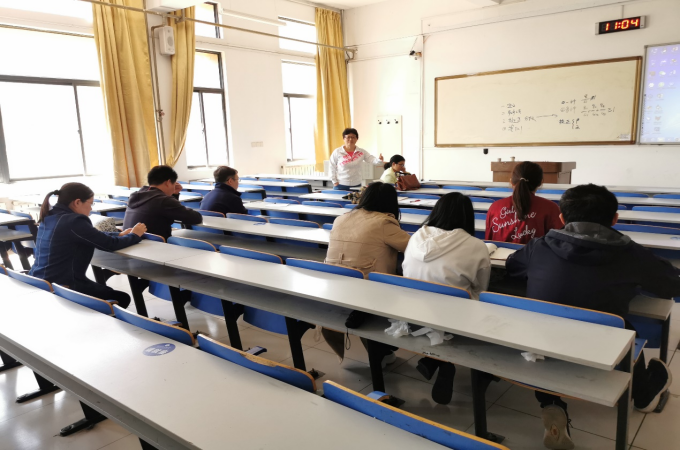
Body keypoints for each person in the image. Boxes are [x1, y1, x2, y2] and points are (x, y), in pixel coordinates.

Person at [506, 184, 678, 450]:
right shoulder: (632, 254)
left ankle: (551, 402)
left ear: (561, 217)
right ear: (615, 219)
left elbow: (512, 266)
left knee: (550, 320)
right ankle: (644, 396)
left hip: (541, 343)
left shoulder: (539, 246)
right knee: (627, 331)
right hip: (604, 350)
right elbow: (671, 285)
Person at [402, 193, 491, 405]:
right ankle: (442, 362)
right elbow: (482, 288)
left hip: (411, 313)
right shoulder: (476, 246)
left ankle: (436, 361)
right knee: (477, 299)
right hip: (453, 319)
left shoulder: (416, 237)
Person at [323, 182, 411, 363]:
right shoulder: (384, 222)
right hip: (366, 288)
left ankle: (383, 349)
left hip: (334, 283)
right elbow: (413, 247)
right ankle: (386, 345)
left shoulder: (342, 218)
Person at [29, 183, 147, 308]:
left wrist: (119, 234)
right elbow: (109, 244)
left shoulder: (50, 216)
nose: (91, 208)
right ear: (77, 202)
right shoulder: (74, 220)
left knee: (109, 293)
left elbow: (90, 234)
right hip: (65, 285)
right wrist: (135, 235)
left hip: (40, 280)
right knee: (122, 298)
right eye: (90, 203)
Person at [485, 161, 562, 244]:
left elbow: (489, 242)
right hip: (536, 252)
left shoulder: (495, 207)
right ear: (540, 182)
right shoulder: (550, 208)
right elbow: (557, 242)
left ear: (511, 181)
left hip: (500, 252)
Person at [123, 165, 203, 240]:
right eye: (174, 184)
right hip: (155, 245)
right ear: (168, 182)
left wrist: (174, 195)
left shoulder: (136, 195)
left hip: (131, 242)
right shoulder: (163, 200)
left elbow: (170, 211)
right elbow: (195, 218)